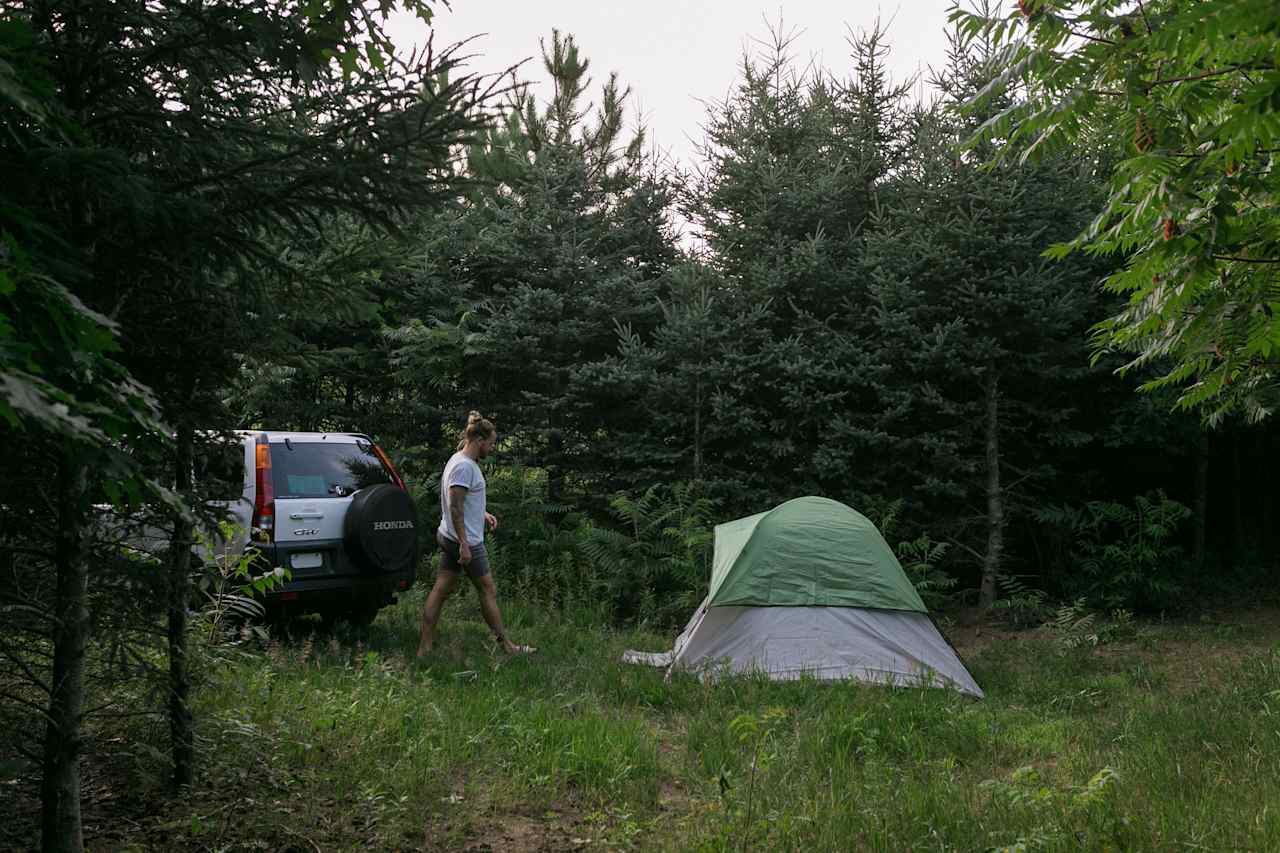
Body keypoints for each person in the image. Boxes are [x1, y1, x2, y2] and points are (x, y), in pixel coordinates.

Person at [417, 411, 535, 657]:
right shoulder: (464, 467)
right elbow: (455, 506)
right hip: (465, 540)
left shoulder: (458, 459)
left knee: (441, 589)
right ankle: (507, 647)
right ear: (479, 441)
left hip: (449, 534)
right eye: (491, 443)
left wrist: (482, 513)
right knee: (487, 590)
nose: (492, 448)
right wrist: (464, 544)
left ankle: (424, 648)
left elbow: (464, 501)